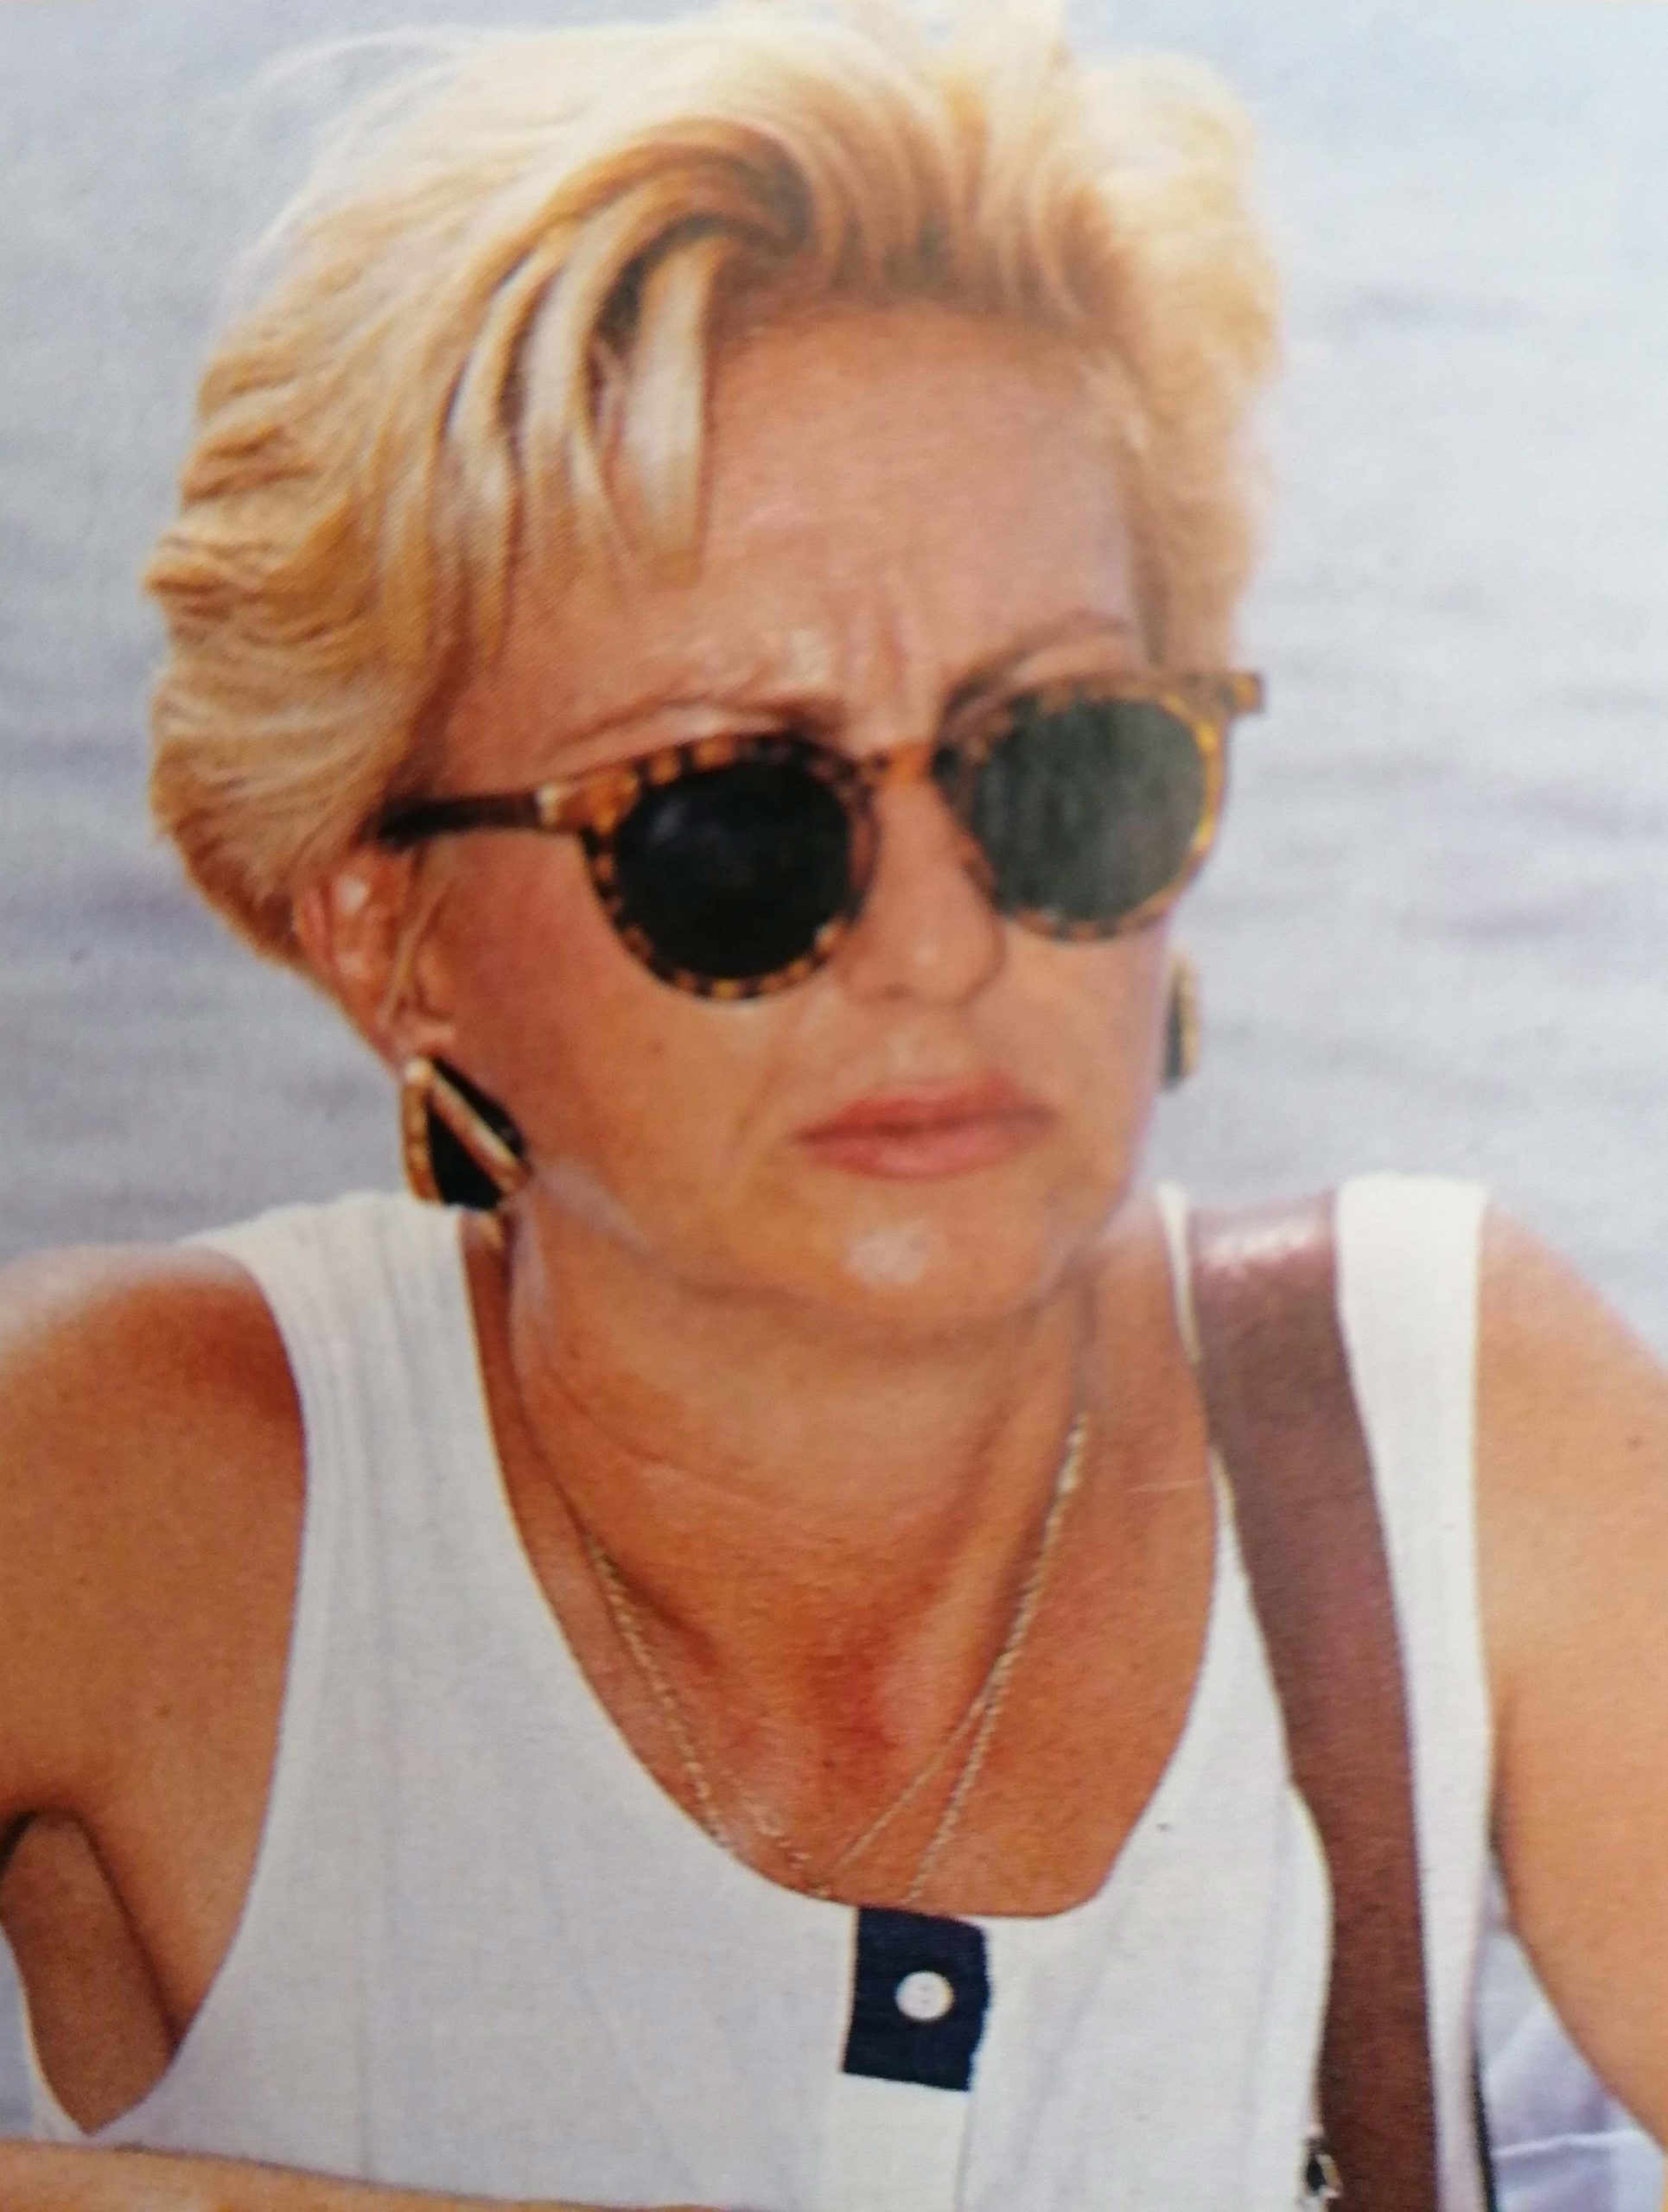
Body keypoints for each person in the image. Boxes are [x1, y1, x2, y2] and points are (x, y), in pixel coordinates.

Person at [1, 4, 1665, 2207]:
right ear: (384, 930)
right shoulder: (135, 1492)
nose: (940, 941)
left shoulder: (1432, 1426)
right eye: (730, 821)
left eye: (1058, 763)